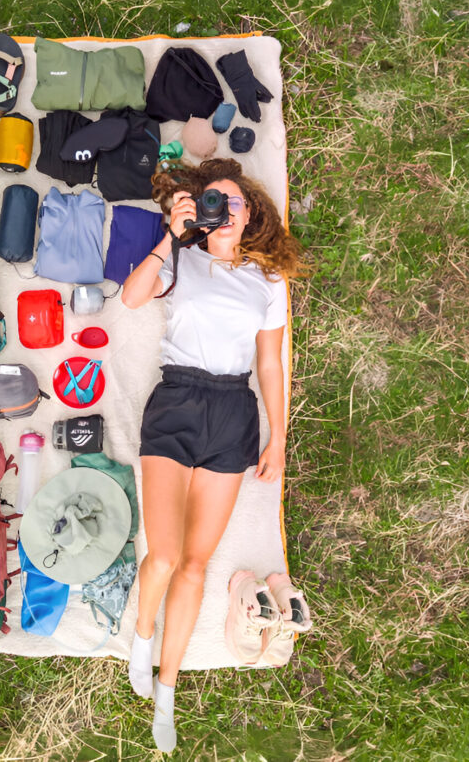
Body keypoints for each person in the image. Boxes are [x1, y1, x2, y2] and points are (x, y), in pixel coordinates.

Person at [121, 158, 304, 752]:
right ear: (201, 215)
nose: (224, 212)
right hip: (176, 398)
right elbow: (130, 298)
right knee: (166, 556)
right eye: (213, 203)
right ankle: (143, 636)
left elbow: (271, 363)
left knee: (196, 565)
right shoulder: (182, 256)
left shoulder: (267, 280)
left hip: (233, 411)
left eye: (234, 202)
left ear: (249, 215)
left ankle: (167, 689)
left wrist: (277, 435)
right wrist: (171, 237)